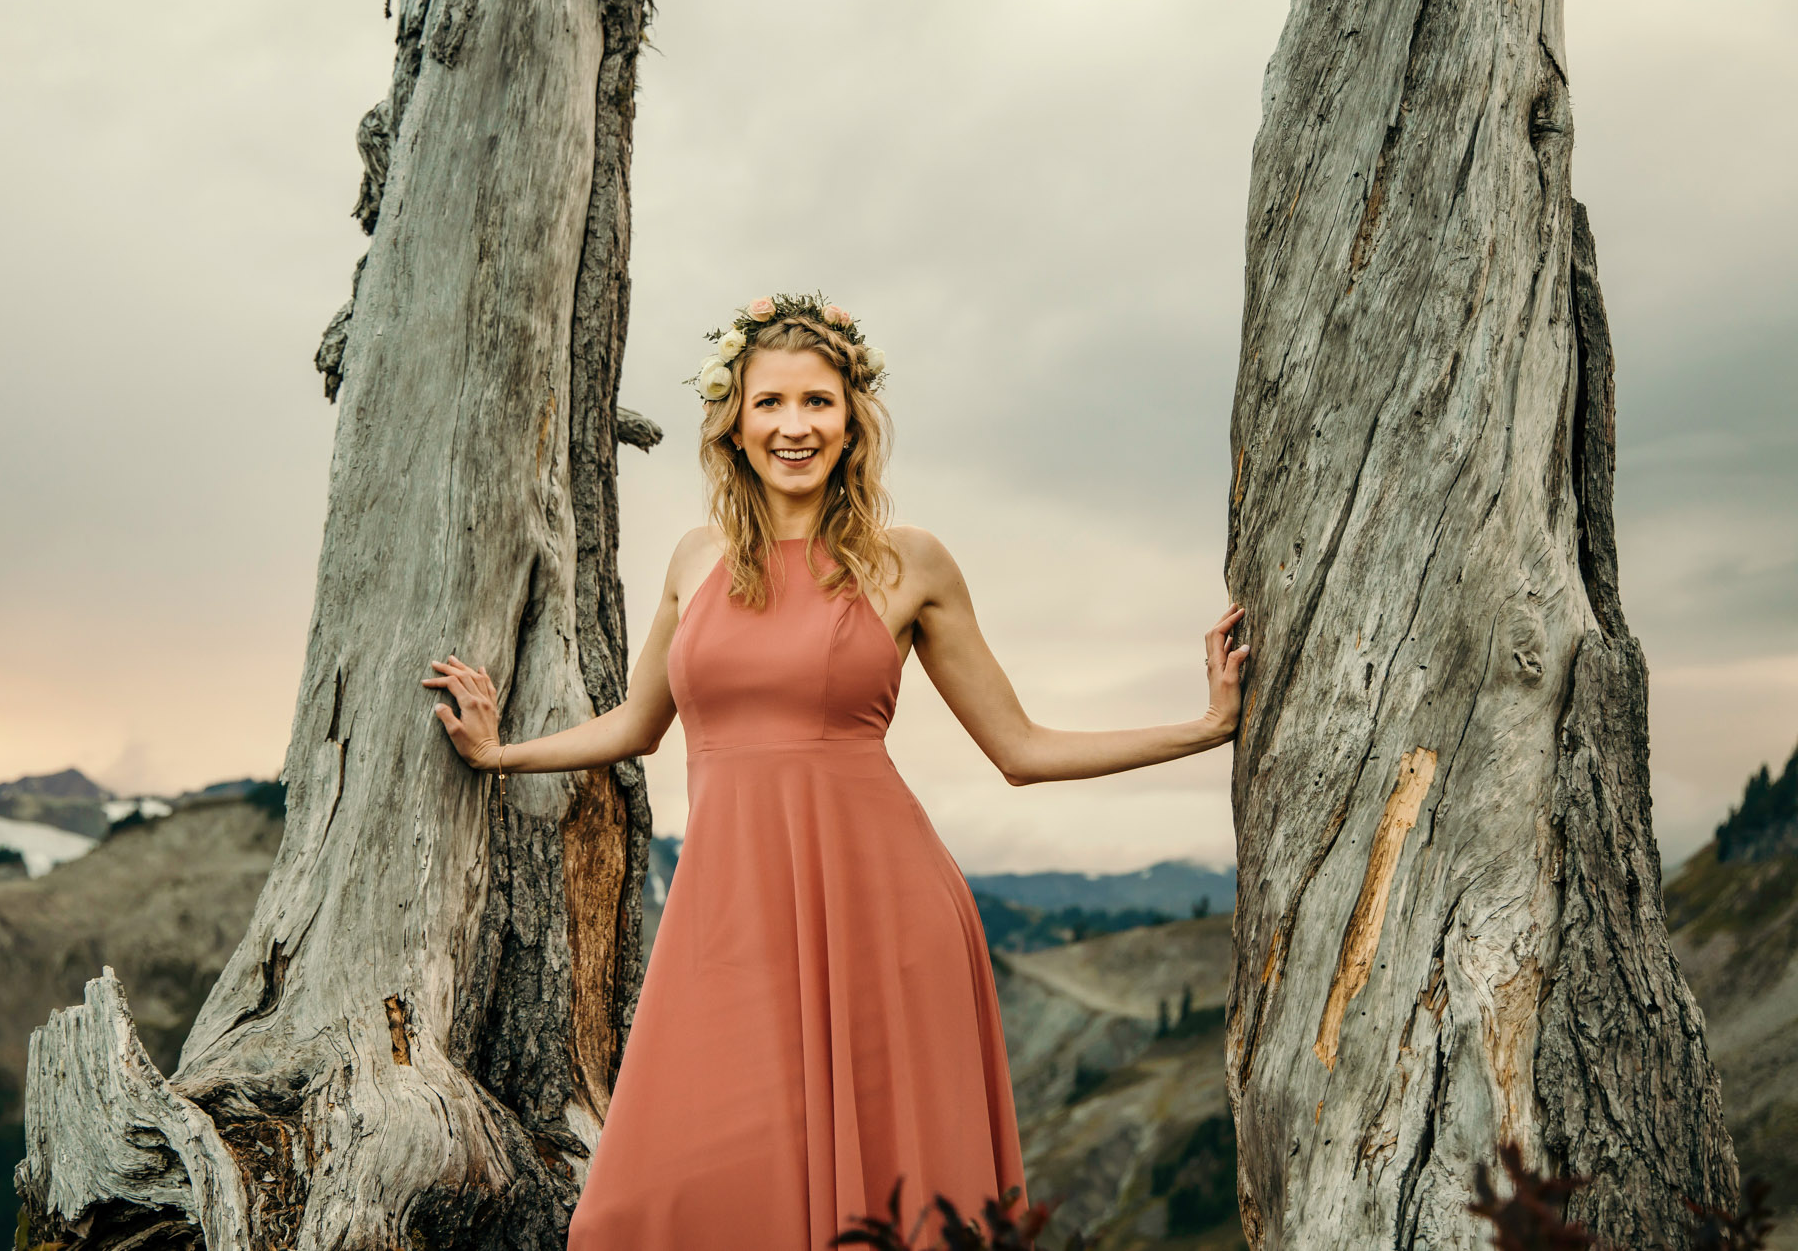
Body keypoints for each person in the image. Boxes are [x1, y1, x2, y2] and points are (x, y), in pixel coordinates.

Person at [422, 290, 1248, 1250]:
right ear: (733, 420)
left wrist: (1203, 727)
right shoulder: (696, 562)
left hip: (879, 913)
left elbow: (1021, 750)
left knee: (881, 1203)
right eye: (770, 403)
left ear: (853, 420)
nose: (794, 426)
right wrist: (498, 753)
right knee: (640, 1203)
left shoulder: (912, 564)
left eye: (818, 402)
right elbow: (639, 725)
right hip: (727, 914)